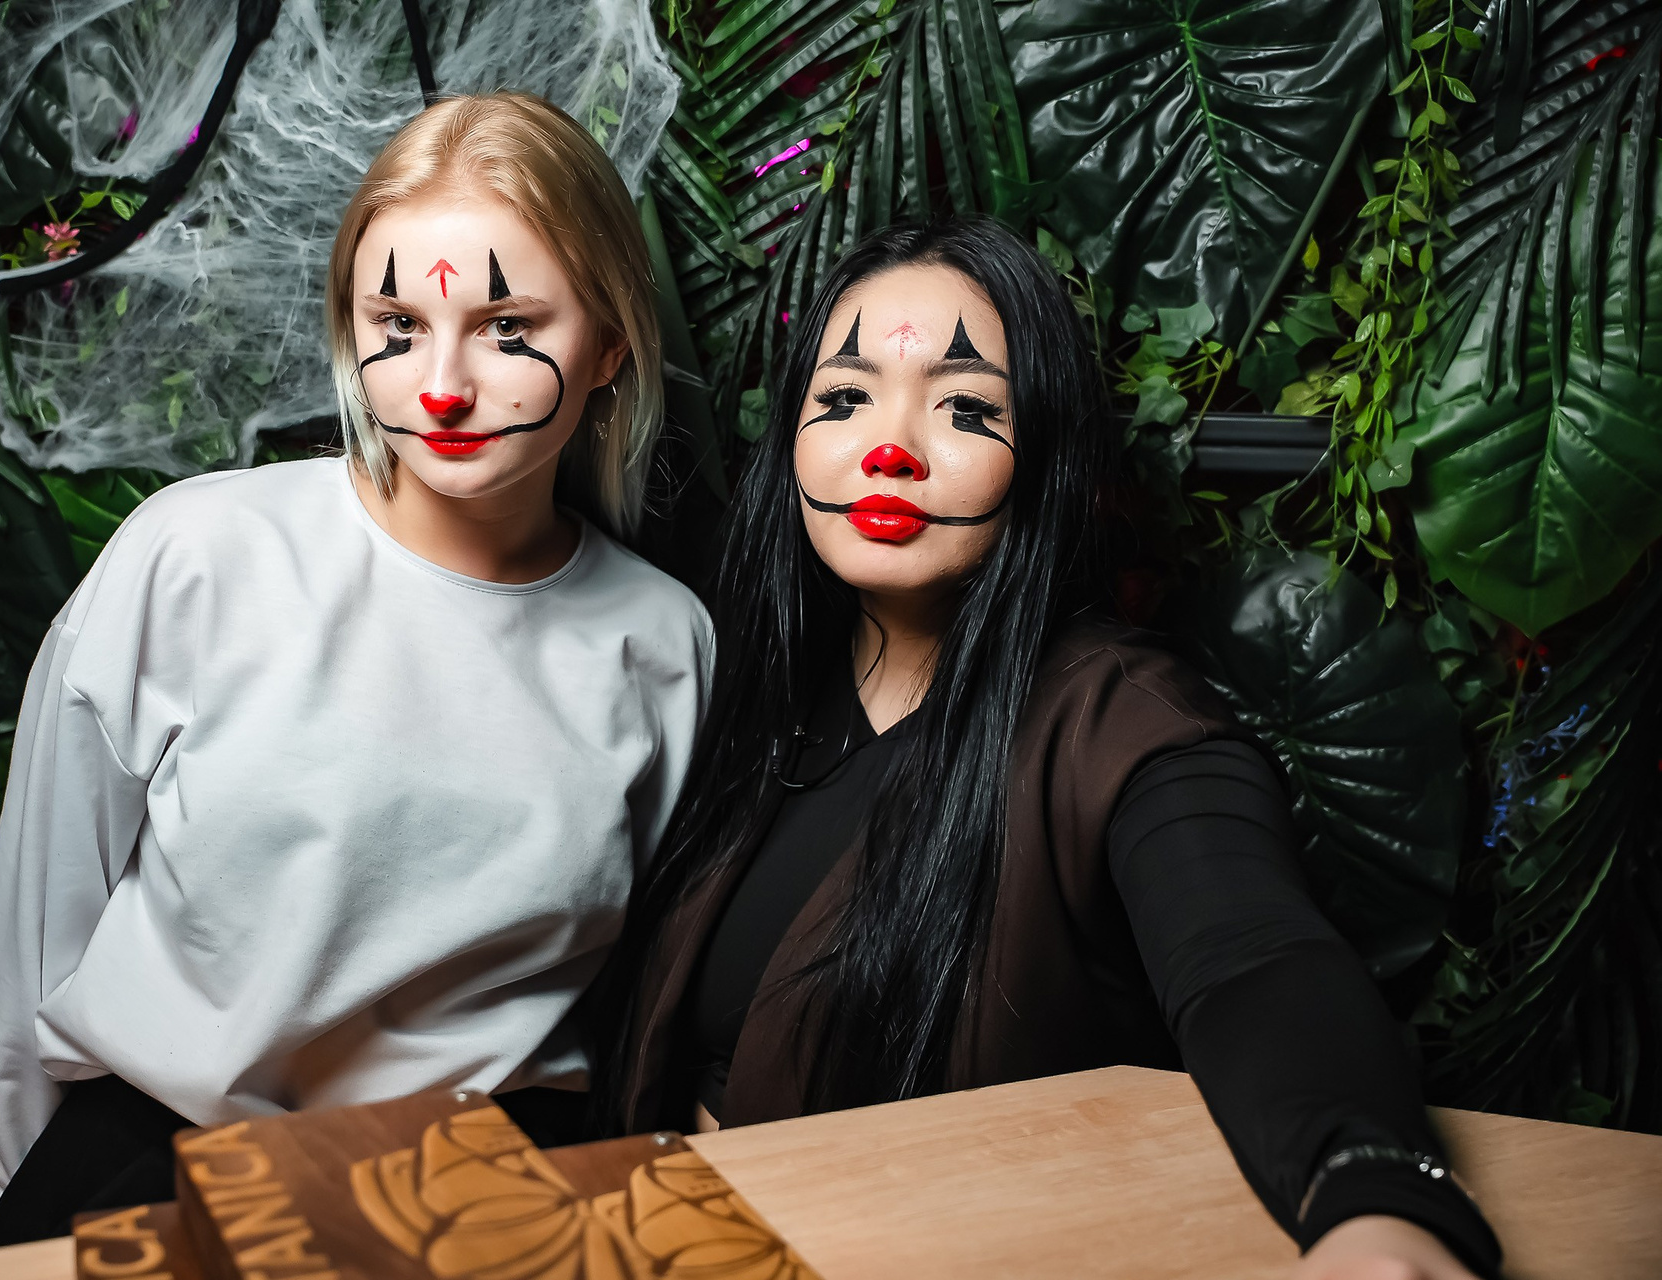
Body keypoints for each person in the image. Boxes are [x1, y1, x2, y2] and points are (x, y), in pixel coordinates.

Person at [588, 219, 1501, 1280]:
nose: (891, 448)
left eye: (967, 408)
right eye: (844, 399)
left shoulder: (1120, 720)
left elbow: (1253, 957)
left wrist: (1375, 1202)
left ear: (1047, 454)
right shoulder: (735, 680)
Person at [0, 92, 712, 1242]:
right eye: (397, 322)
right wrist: (15, 1232)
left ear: (609, 343)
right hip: (157, 1164)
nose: (444, 383)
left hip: (486, 1199)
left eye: (508, 325)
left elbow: (646, 998)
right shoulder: (195, 556)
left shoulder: (663, 640)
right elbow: (39, 927)